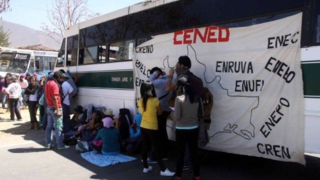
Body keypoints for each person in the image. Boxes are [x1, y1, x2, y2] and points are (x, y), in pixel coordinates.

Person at [138, 81, 174, 176]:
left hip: (143, 126)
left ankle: (145, 167)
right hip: (153, 127)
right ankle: (163, 169)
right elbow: (160, 113)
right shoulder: (155, 100)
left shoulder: (140, 100)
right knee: (157, 148)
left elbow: (143, 113)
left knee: (145, 147)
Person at [174, 76, 201, 180]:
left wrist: (172, 113)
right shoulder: (197, 97)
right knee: (194, 152)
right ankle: (197, 175)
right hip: (194, 127)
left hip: (181, 129)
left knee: (180, 153)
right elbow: (200, 113)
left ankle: (179, 176)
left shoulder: (179, 99)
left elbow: (177, 116)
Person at [148, 67, 172, 161]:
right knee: (162, 132)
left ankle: (155, 156)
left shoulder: (160, 82)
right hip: (165, 109)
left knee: (156, 134)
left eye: (153, 75)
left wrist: (155, 73)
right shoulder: (167, 81)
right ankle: (164, 155)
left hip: (159, 110)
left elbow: (148, 82)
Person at [44, 71, 69, 150]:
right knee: (58, 127)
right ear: (58, 77)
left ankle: (48, 143)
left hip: (49, 107)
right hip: (55, 108)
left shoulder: (48, 83)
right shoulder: (55, 85)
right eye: (61, 78)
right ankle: (60, 145)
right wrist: (58, 110)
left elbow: (46, 95)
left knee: (49, 127)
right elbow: (55, 97)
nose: (62, 79)